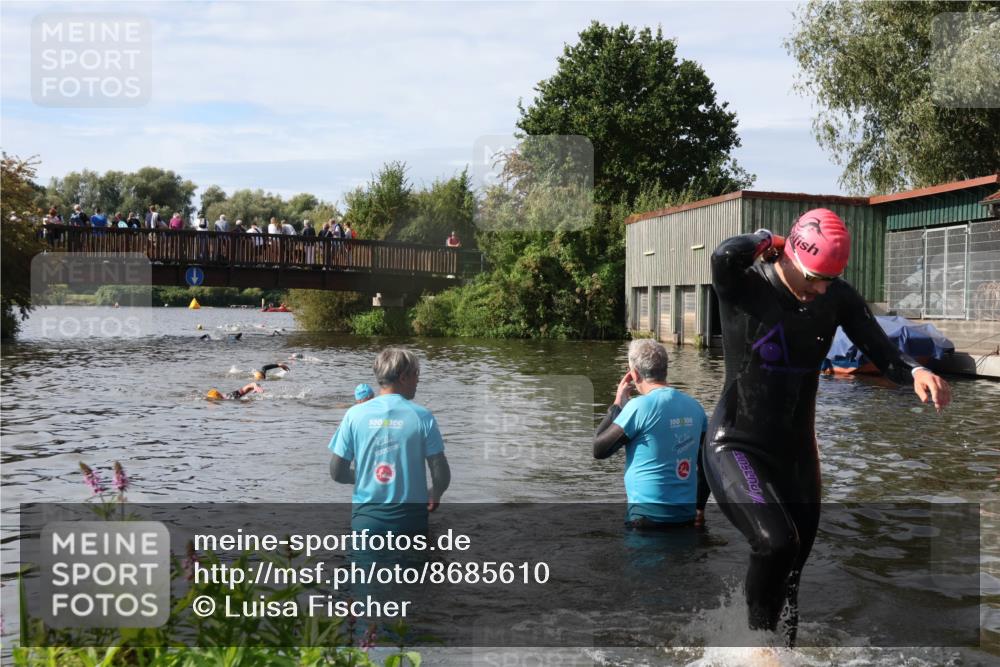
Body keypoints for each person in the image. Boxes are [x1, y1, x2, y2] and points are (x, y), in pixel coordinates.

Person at [705, 208, 952, 646]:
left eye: (829, 280)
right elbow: (725, 253)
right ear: (788, 256)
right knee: (775, 544)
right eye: (813, 277)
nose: (820, 290)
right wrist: (770, 237)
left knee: (793, 567)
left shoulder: (835, 297)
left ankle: (785, 652)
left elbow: (882, 350)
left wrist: (914, 372)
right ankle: (755, 651)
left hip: (796, 456)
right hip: (736, 445)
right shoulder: (743, 285)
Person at [328, 348, 451, 534]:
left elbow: (337, 473)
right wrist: (436, 493)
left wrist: (368, 477)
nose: (418, 380)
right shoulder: (422, 417)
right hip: (410, 523)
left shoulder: (354, 415)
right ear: (403, 377)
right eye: (416, 374)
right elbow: (441, 475)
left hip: (366, 523)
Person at [593, 338, 709, 528]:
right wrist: (700, 508)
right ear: (665, 370)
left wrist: (616, 405)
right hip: (685, 518)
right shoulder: (695, 407)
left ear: (634, 374)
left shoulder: (638, 407)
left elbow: (599, 449)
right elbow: (706, 464)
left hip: (646, 520)